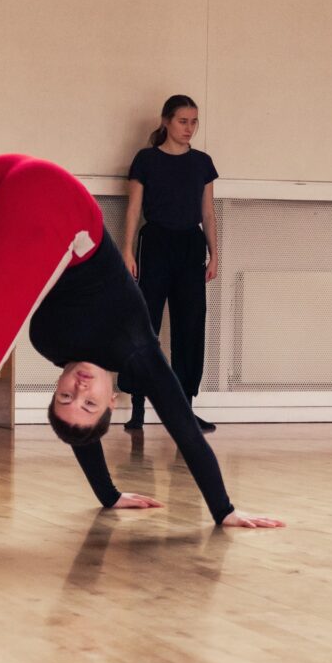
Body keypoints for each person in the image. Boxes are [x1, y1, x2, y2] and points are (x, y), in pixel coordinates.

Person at [0, 155, 283, 532]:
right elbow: (185, 429)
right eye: (89, 402)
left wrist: (108, 495)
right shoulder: (138, 351)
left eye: (65, 397)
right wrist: (224, 510)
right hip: (54, 200)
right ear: (113, 400)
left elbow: (83, 435)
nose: (78, 390)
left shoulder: (49, 341)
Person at [122, 94, 218, 433]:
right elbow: (134, 208)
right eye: (182, 121)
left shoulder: (202, 162)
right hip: (157, 243)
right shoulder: (146, 159)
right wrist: (128, 250)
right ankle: (136, 409)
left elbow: (207, 212)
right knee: (145, 325)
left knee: (190, 326)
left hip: (191, 247)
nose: (189, 128)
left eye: (194, 122)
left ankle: (185, 410)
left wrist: (214, 254)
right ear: (166, 121)